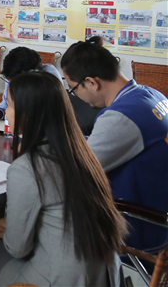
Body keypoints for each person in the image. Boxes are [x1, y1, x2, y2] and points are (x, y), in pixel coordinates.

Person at [0, 72, 125, 287]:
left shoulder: (27, 167)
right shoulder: (82, 152)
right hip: (105, 274)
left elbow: (17, 248)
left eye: (9, 105)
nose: (6, 112)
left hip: (61, 279)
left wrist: (12, 229)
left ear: (27, 114)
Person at [61, 36, 168, 250]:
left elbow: (77, 170)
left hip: (136, 227)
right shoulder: (151, 95)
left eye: (73, 89)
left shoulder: (122, 116)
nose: (75, 96)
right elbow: (113, 143)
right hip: (158, 211)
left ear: (92, 82)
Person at [0, 46, 62, 120]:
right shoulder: (12, 75)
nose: (12, 85)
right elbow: (7, 103)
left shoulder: (50, 79)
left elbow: (52, 114)